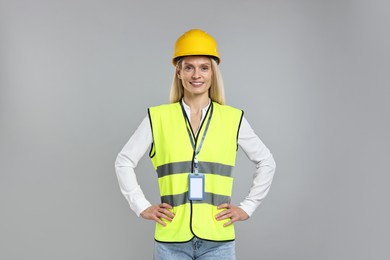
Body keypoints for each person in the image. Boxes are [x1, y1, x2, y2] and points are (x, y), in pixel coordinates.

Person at [115, 29, 276, 260]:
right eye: (188, 67)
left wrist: (247, 207)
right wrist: (140, 205)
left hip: (218, 240)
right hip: (171, 239)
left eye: (204, 67)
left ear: (213, 72)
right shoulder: (157, 117)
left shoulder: (233, 118)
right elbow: (124, 161)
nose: (196, 74)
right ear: (178, 72)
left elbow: (266, 161)